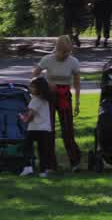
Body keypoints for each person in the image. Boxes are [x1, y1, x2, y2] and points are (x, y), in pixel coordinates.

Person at [32, 36, 80, 171]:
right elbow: (35, 74)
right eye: (63, 52)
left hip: (65, 97)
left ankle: (75, 161)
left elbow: (77, 83)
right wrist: (41, 88)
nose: (65, 55)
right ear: (57, 49)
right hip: (49, 97)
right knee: (49, 130)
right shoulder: (47, 59)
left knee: (68, 130)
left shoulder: (73, 62)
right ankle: (50, 164)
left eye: (68, 52)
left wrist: (77, 101)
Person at [19, 77, 57, 177]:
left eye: (32, 87)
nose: (30, 88)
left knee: (26, 147)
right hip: (45, 129)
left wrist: (23, 119)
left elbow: (31, 116)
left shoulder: (35, 100)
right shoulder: (46, 100)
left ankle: (27, 167)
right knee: (42, 151)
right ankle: (43, 171)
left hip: (34, 128)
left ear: (39, 89)